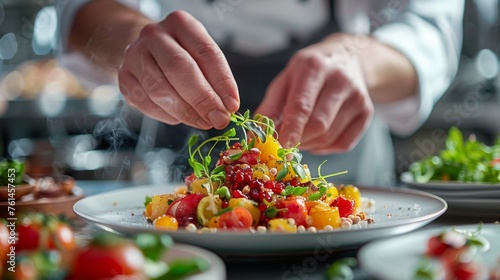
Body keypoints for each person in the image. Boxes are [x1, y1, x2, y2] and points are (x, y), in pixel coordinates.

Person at [56, 0, 464, 186]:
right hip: (172, 156)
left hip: (344, 162)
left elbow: (430, 27)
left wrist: (358, 56)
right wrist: (134, 41)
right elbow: (79, 12)